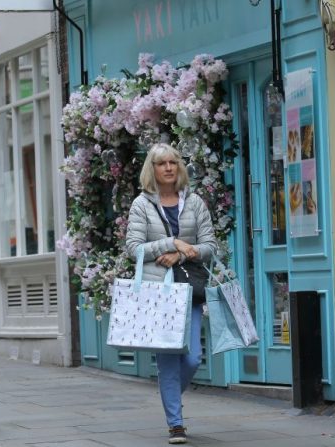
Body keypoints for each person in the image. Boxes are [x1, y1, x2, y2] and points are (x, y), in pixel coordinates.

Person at [125, 143, 217, 444]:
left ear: (179, 167)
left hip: (189, 288)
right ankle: (176, 424)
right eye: (161, 163)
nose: (168, 168)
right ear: (151, 169)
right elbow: (134, 249)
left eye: (173, 163)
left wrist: (182, 254)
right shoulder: (141, 205)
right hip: (157, 293)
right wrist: (170, 244)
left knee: (192, 358)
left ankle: (170, 393)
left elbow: (210, 247)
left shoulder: (195, 203)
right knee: (168, 358)